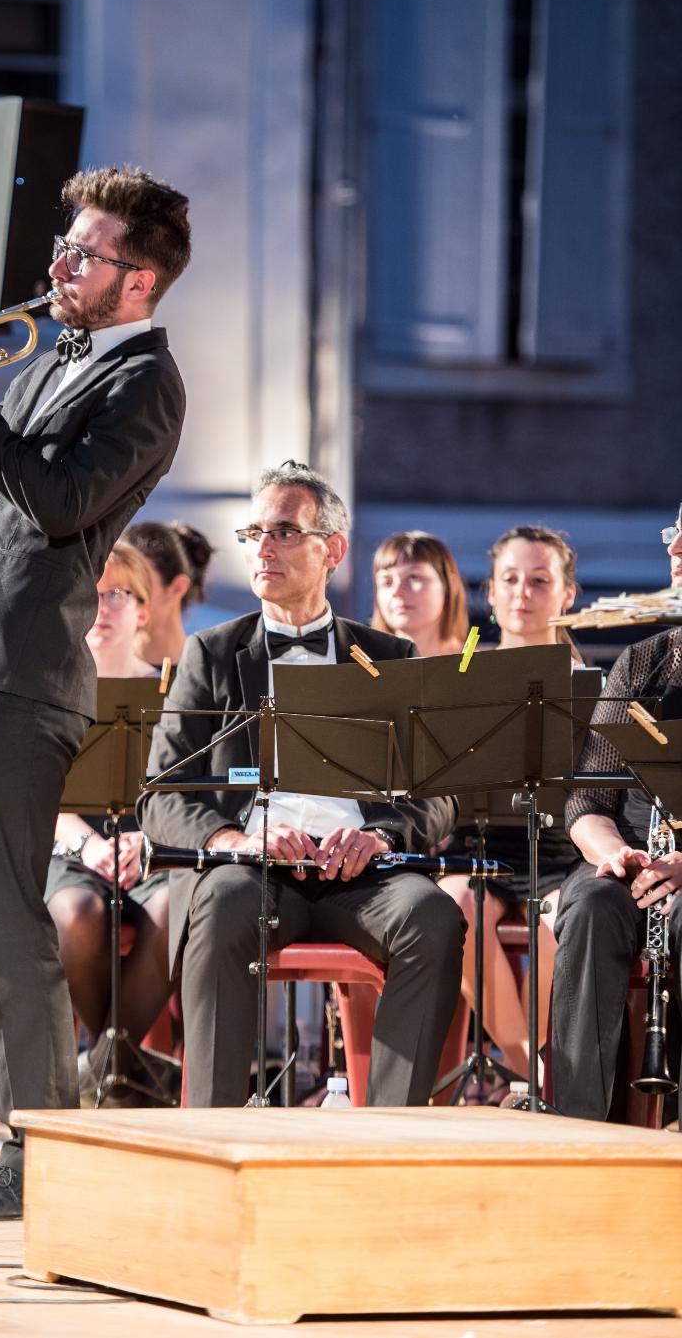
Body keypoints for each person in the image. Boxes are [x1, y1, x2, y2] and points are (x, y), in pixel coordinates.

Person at [0, 165, 190, 1219]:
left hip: (22, 673)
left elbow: (60, 503)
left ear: (138, 280)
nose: (59, 265)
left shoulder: (146, 383)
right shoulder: (61, 355)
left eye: (84, 253)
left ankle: (38, 1151)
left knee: (11, 922)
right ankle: (16, 1134)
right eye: (64, 247)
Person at [136, 461, 463, 1107]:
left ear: (332, 550)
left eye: (284, 531)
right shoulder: (210, 653)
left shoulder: (390, 657)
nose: (264, 547)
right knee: (221, 902)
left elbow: (439, 795)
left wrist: (379, 835)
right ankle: (214, 1132)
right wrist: (235, 839)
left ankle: (391, 1133)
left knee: (434, 917)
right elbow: (161, 794)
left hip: (364, 877)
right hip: (252, 874)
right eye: (254, 532)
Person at [550, 505, 682, 1120]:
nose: (676, 549)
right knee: (590, 906)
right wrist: (613, 854)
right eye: (674, 535)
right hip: (635, 855)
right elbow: (587, 798)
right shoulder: (645, 660)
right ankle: (580, 1127)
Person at [437, 525, 581, 1086]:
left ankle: (530, 1076)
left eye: (540, 580)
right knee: (455, 906)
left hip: (559, 851)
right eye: (510, 579)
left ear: (567, 594)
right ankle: (531, 1074)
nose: (523, 592)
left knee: (559, 920)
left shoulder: (587, 681)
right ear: (491, 593)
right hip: (478, 845)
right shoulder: (464, 670)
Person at [46, 541, 172, 1090]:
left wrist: (145, 840)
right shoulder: (49, 690)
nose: (101, 606)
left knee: (177, 909)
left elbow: (188, 790)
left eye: (117, 593)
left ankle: (103, 1066)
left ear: (143, 611)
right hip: (72, 847)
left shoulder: (173, 689)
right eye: (90, 593)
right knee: (78, 912)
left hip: (155, 848)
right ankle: (119, 1067)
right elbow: (41, 795)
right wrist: (89, 846)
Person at [122, 520, 214, 668]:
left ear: (178, 587)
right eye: (115, 588)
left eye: (138, 583)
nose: (121, 597)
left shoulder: (211, 672)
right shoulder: (96, 668)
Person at [371, 530, 469, 658]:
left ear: (451, 585)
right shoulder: (357, 666)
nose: (397, 591)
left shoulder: (480, 665)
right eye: (387, 582)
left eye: (414, 577)